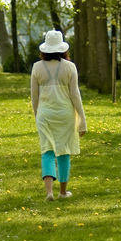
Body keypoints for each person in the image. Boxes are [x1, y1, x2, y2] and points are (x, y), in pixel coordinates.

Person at [31, 30, 87, 202]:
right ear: (62, 48)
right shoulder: (70, 67)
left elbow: (34, 95)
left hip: (45, 114)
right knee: (64, 152)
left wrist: (37, 113)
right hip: (65, 114)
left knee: (47, 151)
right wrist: (82, 119)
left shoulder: (37, 67)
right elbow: (75, 94)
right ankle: (63, 191)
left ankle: (49, 192)